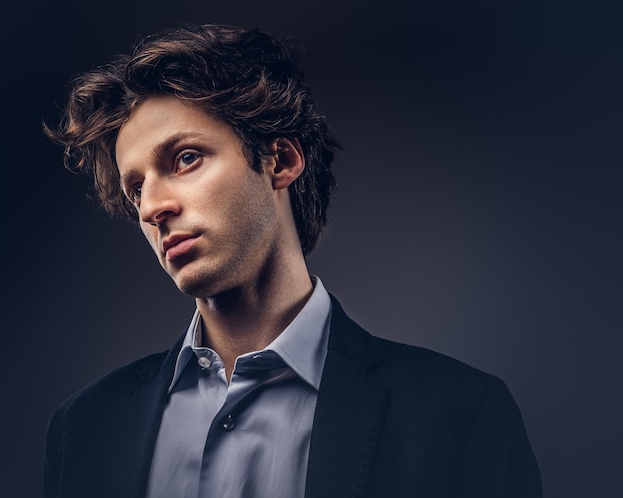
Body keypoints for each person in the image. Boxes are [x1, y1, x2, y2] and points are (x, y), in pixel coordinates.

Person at [43, 24, 542, 498]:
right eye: (136, 188)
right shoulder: (84, 426)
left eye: (186, 158)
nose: (152, 208)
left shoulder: (457, 414)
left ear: (279, 161)